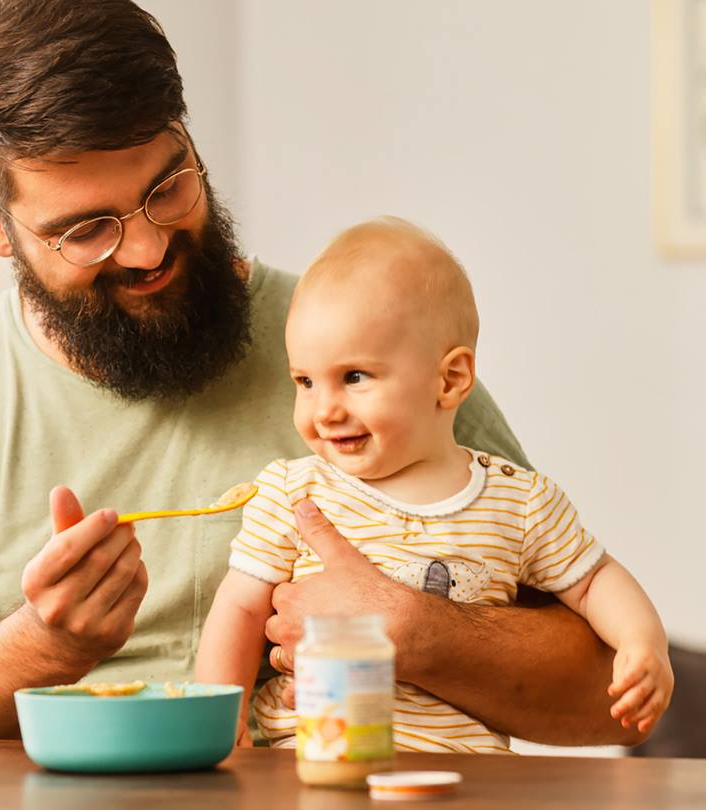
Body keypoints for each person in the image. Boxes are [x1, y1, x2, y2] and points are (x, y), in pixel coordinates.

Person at [0, 0, 646, 746]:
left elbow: (602, 696)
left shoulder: (366, 350)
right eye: (87, 230)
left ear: (191, 142)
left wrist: (420, 631)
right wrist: (38, 646)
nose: (148, 249)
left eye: (167, 188)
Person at [195, 219, 673, 753]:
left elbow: (593, 581)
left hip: (460, 779)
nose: (323, 410)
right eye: (305, 381)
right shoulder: (294, 492)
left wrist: (642, 641)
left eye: (354, 377)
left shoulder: (521, 504)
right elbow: (238, 608)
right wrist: (221, 719)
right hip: (311, 762)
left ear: (449, 380)